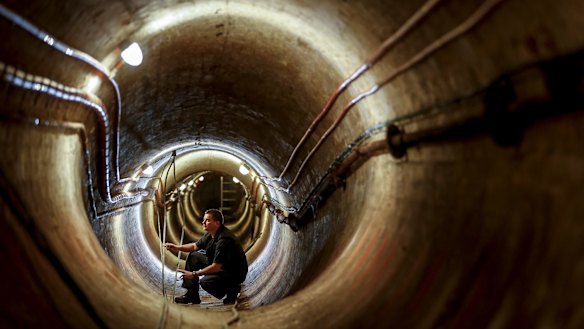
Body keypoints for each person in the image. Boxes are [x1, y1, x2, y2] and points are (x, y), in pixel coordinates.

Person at [164, 209, 248, 305]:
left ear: (217, 223)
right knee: (194, 256)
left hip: (233, 273)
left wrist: (194, 274)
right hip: (223, 266)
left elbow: (216, 267)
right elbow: (194, 246)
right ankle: (192, 295)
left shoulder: (224, 239)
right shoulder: (211, 234)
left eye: (207, 220)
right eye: (204, 220)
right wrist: (176, 247)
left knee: (206, 282)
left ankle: (232, 290)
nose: (203, 222)